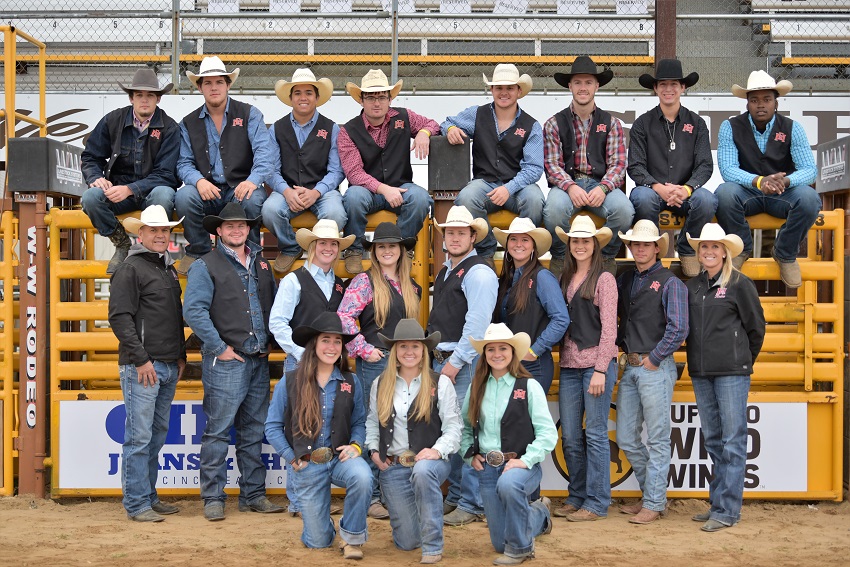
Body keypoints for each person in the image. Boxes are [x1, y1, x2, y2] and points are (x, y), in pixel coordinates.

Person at [182, 202, 283, 521]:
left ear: (248, 228)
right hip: (226, 360)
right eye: (230, 226)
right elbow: (193, 310)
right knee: (218, 430)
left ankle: (253, 494)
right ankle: (213, 497)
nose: (236, 230)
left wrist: (269, 340)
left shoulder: (261, 263)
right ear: (219, 230)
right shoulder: (205, 265)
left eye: (241, 225)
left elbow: (271, 304)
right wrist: (218, 347)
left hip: (257, 358)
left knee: (253, 430)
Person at [265, 312, 371, 560]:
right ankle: (323, 527)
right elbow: (272, 426)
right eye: (326, 340)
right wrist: (292, 458)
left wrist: (356, 446)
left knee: (363, 477)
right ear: (313, 344)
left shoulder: (351, 381)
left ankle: (351, 538)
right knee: (318, 542)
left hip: (340, 458)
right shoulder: (290, 381)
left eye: (337, 341)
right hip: (308, 464)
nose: (332, 347)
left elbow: (359, 422)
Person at [338, 222, 422, 519]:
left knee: (400, 424)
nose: (387, 251)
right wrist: (364, 349)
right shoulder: (364, 281)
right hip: (376, 361)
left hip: (404, 362)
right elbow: (344, 318)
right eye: (381, 246)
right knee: (374, 422)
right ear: (374, 252)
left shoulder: (411, 286)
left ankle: (392, 492)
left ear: (401, 250)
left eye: (392, 246)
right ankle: (372, 494)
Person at [269, 218, 353, 516]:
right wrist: (303, 353)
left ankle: (315, 500)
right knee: (300, 427)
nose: (328, 248)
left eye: (333, 244)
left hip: (330, 363)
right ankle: (298, 501)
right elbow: (277, 323)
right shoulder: (294, 280)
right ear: (312, 247)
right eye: (323, 243)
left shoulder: (340, 284)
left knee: (324, 427)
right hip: (301, 363)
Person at [685, 224, 765, 532]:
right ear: (698, 252)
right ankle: (719, 504)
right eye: (704, 247)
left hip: (731, 372)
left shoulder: (740, 284)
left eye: (714, 247)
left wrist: (741, 359)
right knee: (714, 440)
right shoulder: (693, 287)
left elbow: (756, 328)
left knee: (732, 440)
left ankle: (728, 510)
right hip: (701, 372)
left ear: (724, 252)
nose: (708, 251)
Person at [108, 205, 185, 522]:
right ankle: (137, 502)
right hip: (144, 366)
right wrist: (141, 360)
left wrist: (179, 356)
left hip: (164, 364)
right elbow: (119, 317)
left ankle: (147, 497)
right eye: (154, 230)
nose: (160, 235)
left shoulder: (165, 267)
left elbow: (172, 317)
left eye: (164, 230)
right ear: (140, 234)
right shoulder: (131, 268)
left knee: (153, 436)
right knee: (140, 437)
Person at [365, 319, 462, 565]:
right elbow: (372, 422)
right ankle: (419, 521)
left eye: (415, 346)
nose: (409, 352)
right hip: (394, 465)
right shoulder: (380, 383)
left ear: (424, 350)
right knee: (407, 541)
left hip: (430, 463)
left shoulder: (440, 382)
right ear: (395, 351)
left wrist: (437, 450)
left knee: (423, 472)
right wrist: (374, 451)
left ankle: (433, 545)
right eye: (403, 346)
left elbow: (454, 428)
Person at [461, 323, 556, 566]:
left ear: (513, 352)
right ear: (485, 354)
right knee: (499, 543)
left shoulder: (529, 386)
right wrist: (469, 453)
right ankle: (540, 513)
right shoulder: (476, 387)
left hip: (521, 466)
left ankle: (522, 549)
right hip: (487, 467)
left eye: (503, 348)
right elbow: (465, 427)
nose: (497, 354)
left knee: (509, 484)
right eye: (491, 349)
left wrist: (525, 461)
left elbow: (547, 433)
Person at [715, 70, 820, 289]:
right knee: (724, 194)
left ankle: (785, 253)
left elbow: (809, 170)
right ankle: (741, 248)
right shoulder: (730, 126)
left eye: (766, 99)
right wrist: (759, 181)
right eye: (754, 100)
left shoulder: (793, 128)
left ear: (776, 103)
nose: (760, 105)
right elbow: (728, 170)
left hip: (783, 193)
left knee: (810, 198)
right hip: (748, 192)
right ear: (747, 104)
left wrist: (786, 182)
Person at [615, 219, 689, 524]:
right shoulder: (626, 279)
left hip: (654, 365)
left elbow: (679, 327)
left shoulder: (671, 282)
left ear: (657, 248)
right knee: (626, 437)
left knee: (657, 438)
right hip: (632, 365)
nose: (640, 249)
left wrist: (655, 358)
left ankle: (654, 501)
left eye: (646, 244)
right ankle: (653, 496)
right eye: (636, 244)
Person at [427, 205, 497, 526]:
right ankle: (457, 496)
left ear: (473, 237)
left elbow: (477, 326)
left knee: (469, 433)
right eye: (450, 232)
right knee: (453, 430)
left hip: (463, 363)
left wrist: (454, 364)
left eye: (461, 233)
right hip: (446, 361)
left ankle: (472, 502)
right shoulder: (447, 270)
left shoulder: (478, 272)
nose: (454, 238)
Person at [175, 56, 274, 274]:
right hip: (207, 192)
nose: (214, 87)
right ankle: (199, 252)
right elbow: (183, 163)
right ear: (199, 87)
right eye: (208, 83)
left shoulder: (250, 114)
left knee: (253, 198)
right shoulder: (188, 123)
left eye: (219, 82)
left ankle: (251, 256)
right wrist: (198, 181)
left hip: (240, 189)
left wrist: (252, 181)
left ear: (228, 85)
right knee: (184, 196)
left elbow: (265, 155)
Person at [338, 69, 437, 274]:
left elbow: (432, 124)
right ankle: (354, 250)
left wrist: (424, 133)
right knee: (353, 197)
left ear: (390, 99)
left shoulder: (404, 117)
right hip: (367, 192)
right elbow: (354, 173)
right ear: (361, 100)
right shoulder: (348, 131)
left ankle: (402, 248)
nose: (377, 103)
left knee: (420, 198)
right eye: (370, 97)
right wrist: (384, 189)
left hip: (401, 186)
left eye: (382, 97)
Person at [553, 215, 619, 521]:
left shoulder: (605, 280)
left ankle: (597, 501)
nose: (580, 245)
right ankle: (577, 494)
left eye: (585, 241)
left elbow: (609, 329)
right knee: (570, 436)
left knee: (594, 433)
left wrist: (601, 369)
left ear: (595, 245)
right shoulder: (564, 278)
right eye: (575, 240)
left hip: (595, 365)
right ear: (569, 244)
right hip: (569, 365)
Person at [542, 56, 633, 277]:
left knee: (624, 211)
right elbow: (552, 164)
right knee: (553, 211)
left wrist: (603, 188)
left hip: (600, 184)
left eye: (588, 82)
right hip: (568, 185)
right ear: (570, 86)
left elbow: (619, 164)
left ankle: (606, 257)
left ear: (597, 86)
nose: (583, 88)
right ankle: (561, 257)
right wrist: (571, 186)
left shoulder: (612, 123)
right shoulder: (554, 123)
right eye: (578, 82)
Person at [81, 69, 179, 274]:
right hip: (117, 193)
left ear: (158, 99)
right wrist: (96, 177)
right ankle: (121, 243)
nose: (144, 100)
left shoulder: (170, 128)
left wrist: (129, 189)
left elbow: (166, 174)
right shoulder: (112, 120)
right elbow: (90, 157)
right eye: (139, 95)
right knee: (91, 197)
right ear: (131, 98)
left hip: (151, 194)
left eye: (150, 95)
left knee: (164, 194)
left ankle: (152, 253)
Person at [446, 64, 545, 267]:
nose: (504, 92)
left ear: (519, 91)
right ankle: (486, 251)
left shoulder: (531, 125)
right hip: (485, 183)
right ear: (491, 90)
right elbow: (447, 122)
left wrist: (508, 189)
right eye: (499, 87)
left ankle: (521, 254)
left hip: (518, 187)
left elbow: (534, 168)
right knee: (466, 198)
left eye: (510, 88)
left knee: (535, 200)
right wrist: (451, 129)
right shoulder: (477, 114)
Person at [627, 59, 718, 278]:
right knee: (641, 197)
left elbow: (705, 165)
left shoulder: (697, 123)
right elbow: (635, 166)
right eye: (663, 84)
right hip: (653, 191)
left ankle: (687, 249)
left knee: (707, 200)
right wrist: (659, 187)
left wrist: (686, 189)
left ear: (683, 87)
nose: (668, 89)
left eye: (674, 84)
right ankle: (651, 255)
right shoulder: (642, 123)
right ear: (655, 88)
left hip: (686, 192)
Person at [262, 68, 348, 275]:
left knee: (336, 213)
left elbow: (337, 171)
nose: (303, 98)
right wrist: (286, 191)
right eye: (298, 93)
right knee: (270, 210)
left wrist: (316, 192)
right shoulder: (276, 129)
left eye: (309, 93)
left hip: (323, 191)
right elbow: (270, 169)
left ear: (317, 98)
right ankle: (291, 247)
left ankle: (317, 255)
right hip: (287, 189)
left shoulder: (332, 128)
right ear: (290, 98)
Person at [492, 217, 569, 395]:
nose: (519, 244)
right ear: (507, 245)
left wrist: (535, 350)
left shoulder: (542, 277)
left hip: (534, 366)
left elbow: (561, 318)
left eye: (525, 239)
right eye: (513, 239)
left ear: (533, 246)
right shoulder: (505, 281)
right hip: (508, 365)